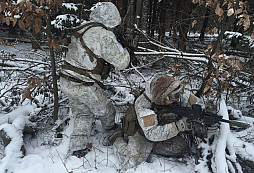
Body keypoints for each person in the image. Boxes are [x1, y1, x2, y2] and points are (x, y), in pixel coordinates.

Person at [59, 2, 130, 156]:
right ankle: (112, 131)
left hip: (66, 81)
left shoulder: (83, 28)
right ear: (112, 19)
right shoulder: (103, 34)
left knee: (83, 112)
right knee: (107, 110)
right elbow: (123, 62)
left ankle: (77, 147)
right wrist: (125, 50)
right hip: (83, 84)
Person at [112, 74, 206, 169]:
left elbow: (198, 104)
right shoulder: (143, 104)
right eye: (173, 97)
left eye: (178, 94)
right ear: (161, 97)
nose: (177, 98)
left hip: (163, 124)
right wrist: (178, 126)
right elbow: (151, 133)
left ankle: (156, 145)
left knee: (180, 147)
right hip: (142, 131)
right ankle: (117, 137)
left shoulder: (174, 90)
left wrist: (205, 115)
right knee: (131, 161)